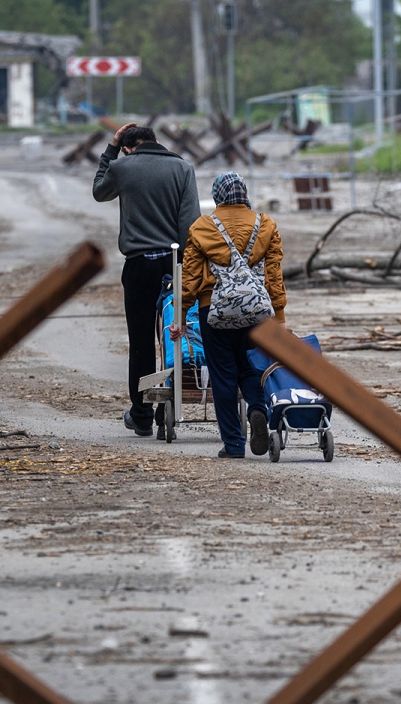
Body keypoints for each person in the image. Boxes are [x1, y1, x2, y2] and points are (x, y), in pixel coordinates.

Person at [93, 122, 200, 440]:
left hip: (138, 266)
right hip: (173, 266)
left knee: (141, 345)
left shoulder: (123, 166)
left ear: (128, 147)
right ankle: (165, 406)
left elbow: (100, 191)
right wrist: (187, 270)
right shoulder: (183, 168)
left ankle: (142, 415)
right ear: (155, 141)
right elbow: (189, 223)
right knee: (171, 338)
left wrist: (111, 148)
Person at [172, 172, 286, 458]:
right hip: (256, 312)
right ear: (245, 194)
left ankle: (234, 444)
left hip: (215, 310)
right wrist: (280, 318)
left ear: (217, 197)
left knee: (223, 375)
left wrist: (181, 315)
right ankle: (258, 410)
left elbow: (190, 280)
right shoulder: (266, 225)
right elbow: (273, 276)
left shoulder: (202, 228)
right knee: (250, 368)